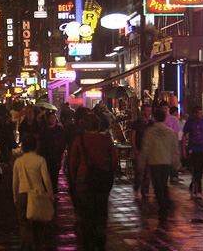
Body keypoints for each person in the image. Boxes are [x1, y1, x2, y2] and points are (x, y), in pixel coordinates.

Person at [69, 113, 118, 251]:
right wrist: (110, 174)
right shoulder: (106, 140)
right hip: (102, 178)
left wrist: (75, 178)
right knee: (101, 210)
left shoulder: (80, 140)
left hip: (83, 177)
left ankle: (88, 241)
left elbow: (73, 162)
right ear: (98, 125)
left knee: (86, 212)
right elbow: (114, 161)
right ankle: (101, 238)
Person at [12, 133, 54, 251]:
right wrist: (51, 196)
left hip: (23, 195)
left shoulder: (18, 162)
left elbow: (15, 182)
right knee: (38, 227)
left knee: (24, 226)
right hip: (38, 195)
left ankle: (25, 247)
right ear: (36, 146)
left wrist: (15, 197)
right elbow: (46, 179)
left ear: (23, 147)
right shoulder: (40, 160)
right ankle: (37, 247)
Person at [139, 108, 179, 221]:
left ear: (154, 118)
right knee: (163, 184)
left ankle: (163, 207)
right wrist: (176, 163)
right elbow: (175, 149)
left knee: (158, 186)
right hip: (166, 162)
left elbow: (145, 149)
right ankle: (165, 204)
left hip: (154, 162)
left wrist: (141, 163)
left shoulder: (150, 132)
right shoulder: (170, 132)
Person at [182, 106, 203, 199]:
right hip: (193, 149)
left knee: (200, 170)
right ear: (194, 114)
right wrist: (184, 149)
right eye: (199, 113)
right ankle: (197, 190)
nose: (200, 115)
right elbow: (184, 136)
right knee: (195, 169)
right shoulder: (189, 123)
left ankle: (194, 186)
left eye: (201, 113)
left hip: (202, 149)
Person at [130, 104, 154, 200]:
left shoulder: (151, 124)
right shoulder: (136, 123)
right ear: (143, 111)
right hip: (139, 150)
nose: (149, 113)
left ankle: (145, 190)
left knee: (148, 173)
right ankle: (136, 187)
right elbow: (133, 137)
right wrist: (135, 148)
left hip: (149, 151)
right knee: (139, 172)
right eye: (147, 111)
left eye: (150, 111)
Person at [38, 112, 66, 194]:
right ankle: (46, 190)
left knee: (55, 175)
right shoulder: (43, 129)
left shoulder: (59, 129)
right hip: (45, 154)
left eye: (54, 118)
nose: (53, 119)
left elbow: (63, 142)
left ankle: (54, 191)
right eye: (51, 118)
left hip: (55, 155)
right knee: (45, 174)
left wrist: (62, 153)